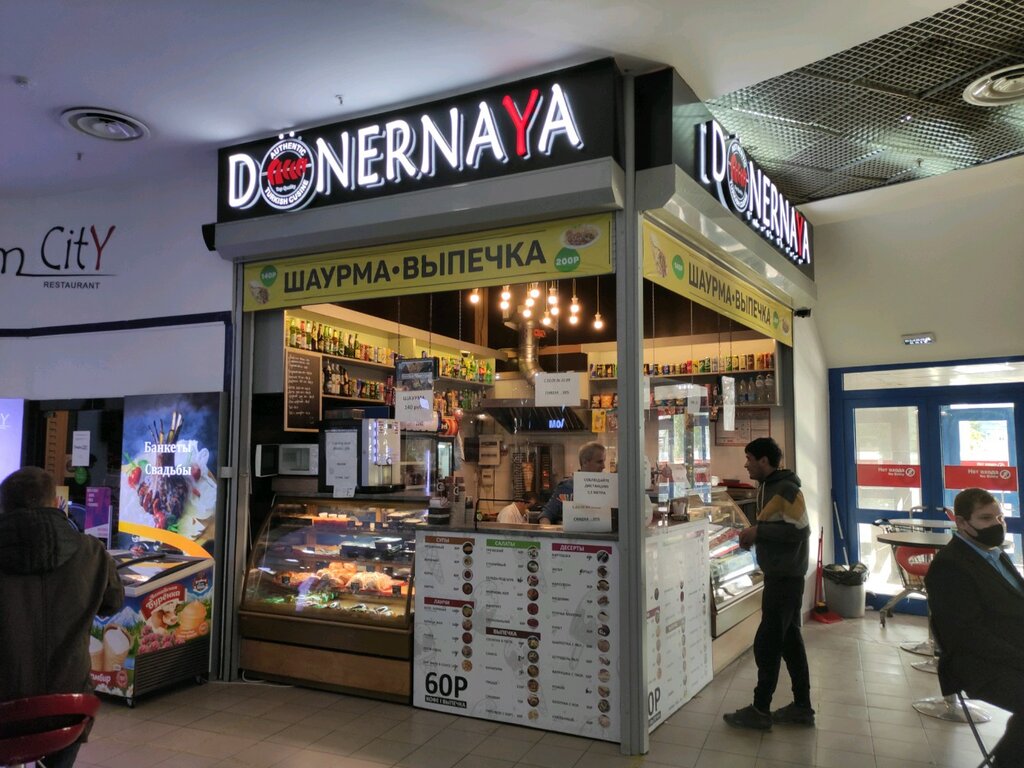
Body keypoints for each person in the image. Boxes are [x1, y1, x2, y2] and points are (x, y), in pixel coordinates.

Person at [0, 467, 124, 768]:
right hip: (68, 710)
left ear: (4, 506)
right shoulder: (92, 553)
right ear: (56, 503)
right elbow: (113, 603)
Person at [925, 487, 1023, 767]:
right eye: (986, 518)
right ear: (961, 522)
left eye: (999, 517)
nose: (997, 524)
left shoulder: (995, 554)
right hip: (981, 666)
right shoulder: (949, 566)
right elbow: (968, 635)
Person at [724, 437, 813, 730]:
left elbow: (800, 530)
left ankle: (760, 709)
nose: (746, 465)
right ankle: (802, 707)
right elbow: (779, 526)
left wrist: (758, 533)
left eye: (749, 459)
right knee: (790, 643)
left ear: (764, 460)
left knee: (767, 643)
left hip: (786, 578)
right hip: (780, 575)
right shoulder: (767, 486)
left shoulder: (786, 489)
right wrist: (758, 532)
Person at [538, 442, 606, 525]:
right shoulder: (567, 487)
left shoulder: (606, 487)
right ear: (585, 462)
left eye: (603, 462)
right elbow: (547, 514)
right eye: (599, 462)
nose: (603, 466)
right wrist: (548, 530)